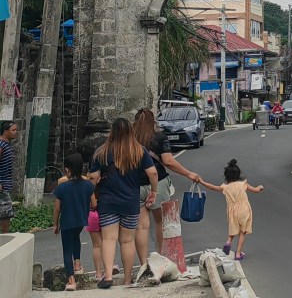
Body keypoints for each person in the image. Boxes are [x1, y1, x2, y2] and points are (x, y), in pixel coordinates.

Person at [88, 117, 158, 289]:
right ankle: (127, 279)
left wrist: (91, 196)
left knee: (108, 239)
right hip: (130, 202)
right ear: (130, 131)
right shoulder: (139, 151)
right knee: (127, 241)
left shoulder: (102, 152)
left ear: (112, 132)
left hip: (108, 202)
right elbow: (153, 173)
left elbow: (93, 178)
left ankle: (108, 276)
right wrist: (153, 191)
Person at [132, 108, 202, 258]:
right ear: (153, 121)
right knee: (160, 222)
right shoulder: (159, 137)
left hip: (135, 185)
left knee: (141, 227)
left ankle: (143, 262)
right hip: (158, 183)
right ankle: (162, 257)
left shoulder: (131, 140)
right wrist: (188, 173)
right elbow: (169, 161)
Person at [199, 158, 264, 260]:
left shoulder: (224, 187)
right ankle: (238, 254)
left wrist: (202, 182)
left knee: (234, 228)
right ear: (238, 174)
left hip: (232, 211)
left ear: (226, 176)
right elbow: (256, 190)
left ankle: (228, 242)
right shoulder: (243, 184)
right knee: (242, 232)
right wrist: (260, 187)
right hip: (244, 210)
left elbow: (212, 187)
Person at [52, 154, 94, 291]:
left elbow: (57, 209)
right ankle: (77, 263)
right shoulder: (88, 185)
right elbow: (94, 203)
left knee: (67, 250)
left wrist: (55, 224)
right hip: (81, 221)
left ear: (67, 170)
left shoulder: (61, 188)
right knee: (76, 238)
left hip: (66, 222)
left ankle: (71, 280)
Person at [0, 120, 17, 234]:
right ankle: (5, 238)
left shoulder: (6, 145)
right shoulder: (1, 145)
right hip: (2, 186)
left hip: (5, 185)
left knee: (5, 215)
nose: (16, 132)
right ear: (5, 132)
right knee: (5, 214)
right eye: (13, 130)